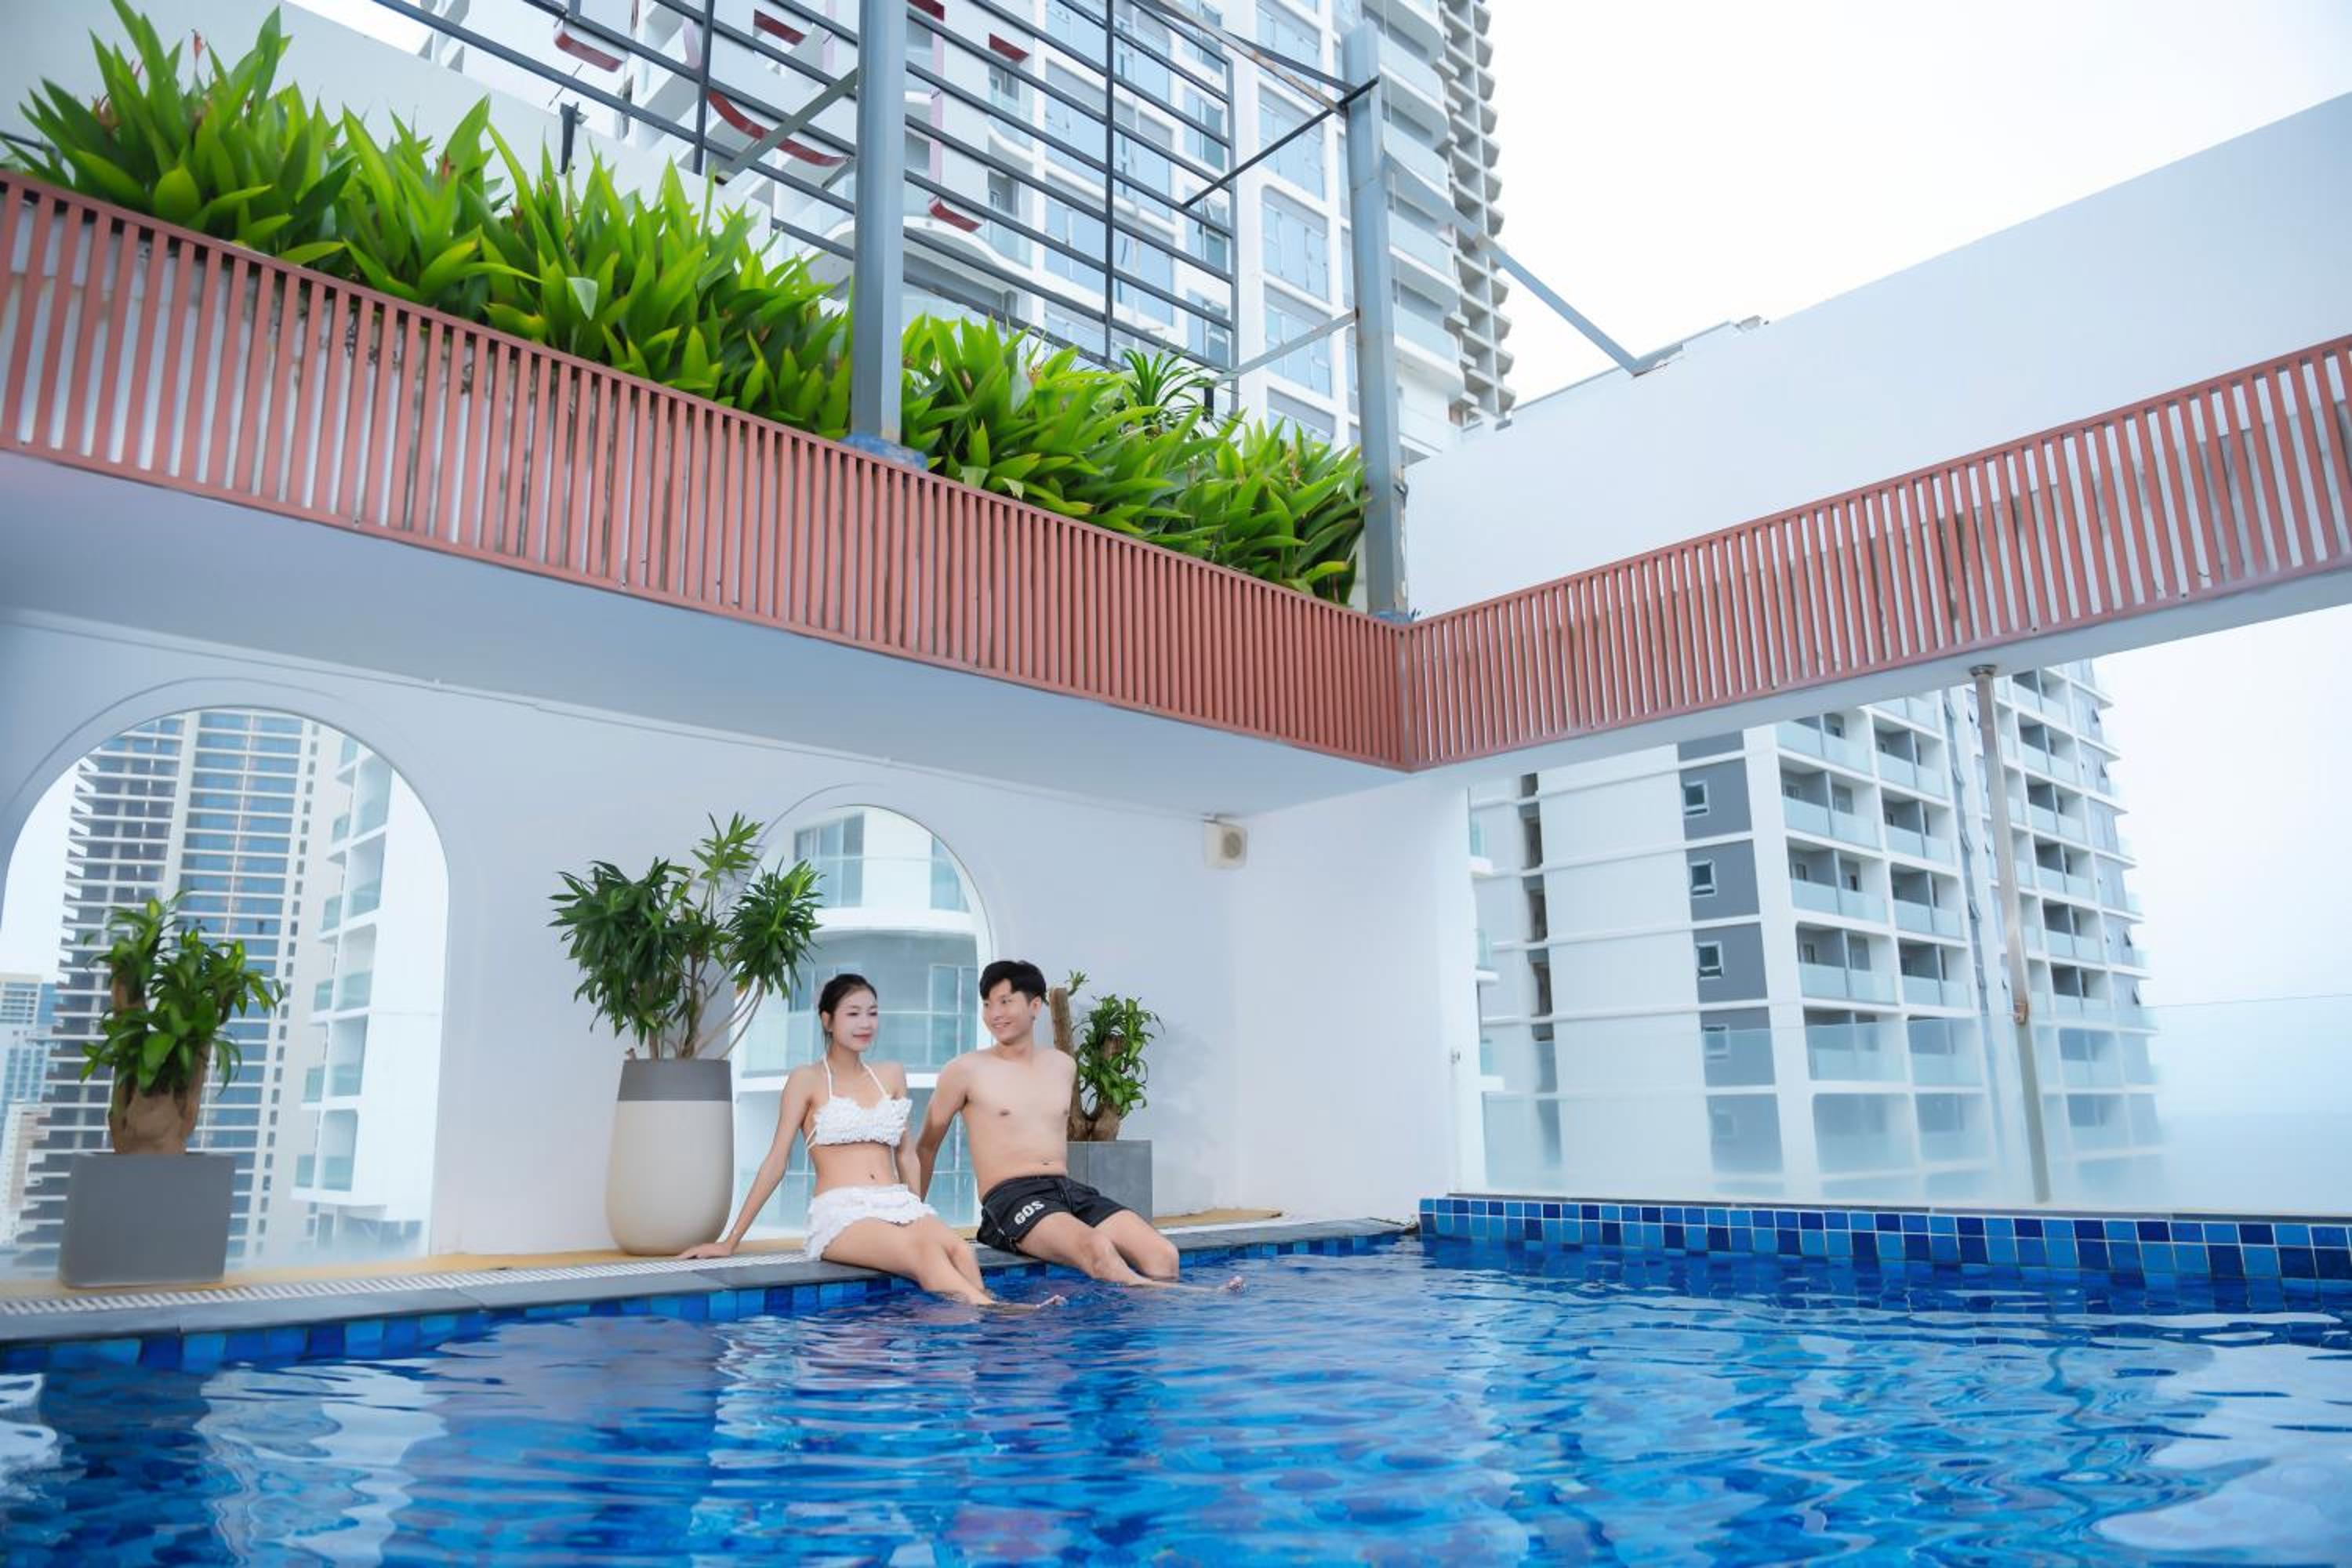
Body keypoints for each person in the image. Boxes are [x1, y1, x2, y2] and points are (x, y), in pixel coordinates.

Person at [681, 974, 1054, 1311]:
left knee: (958, 1249)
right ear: (827, 1020)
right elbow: (776, 1161)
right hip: (842, 1211)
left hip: (897, 1203)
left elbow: (907, 1155)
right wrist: (730, 1241)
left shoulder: (890, 1075)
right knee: (924, 1255)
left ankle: (985, 1313)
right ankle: (996, 1313)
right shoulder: (807, 1079)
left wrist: (916, 1210)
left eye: (872, 1013)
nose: (865, 1023)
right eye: (853, 1013)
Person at [916, 959, 1240, 1292]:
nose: (994, 1013)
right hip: (1010, 1199)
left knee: (1163, 1254)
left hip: (1067, 1190)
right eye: (987, 1004)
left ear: (1035, 1006)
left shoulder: (1062, 1066)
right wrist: (911, 1220)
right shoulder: (965, 1070)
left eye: (1005, 1002)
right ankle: (1197, 1297)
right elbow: (925, 1147)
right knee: (1097, 1249)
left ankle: (1143, 1324)